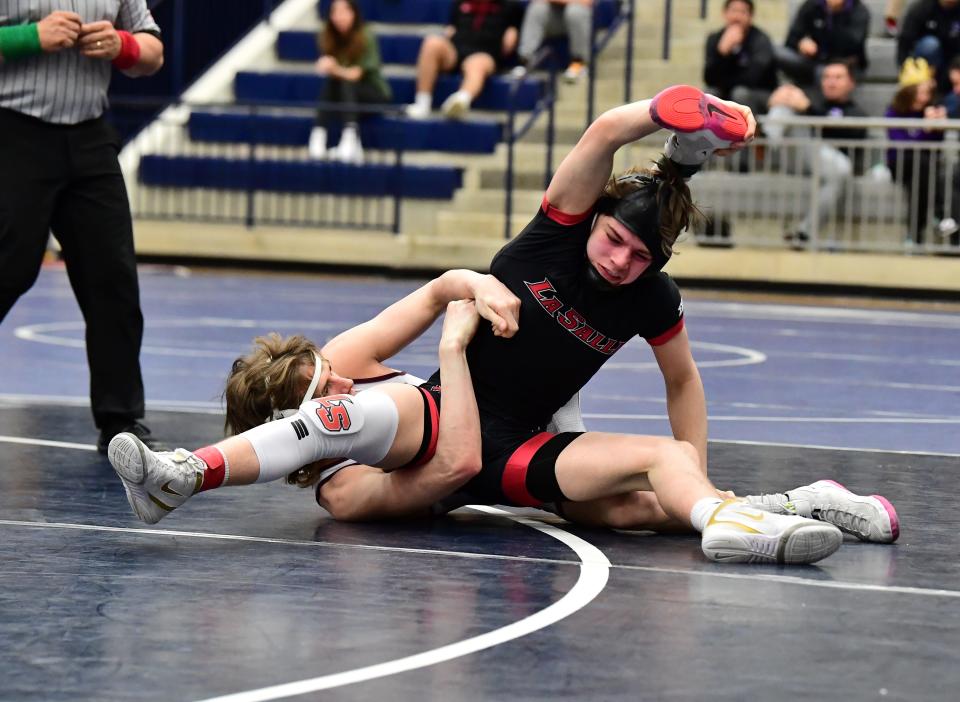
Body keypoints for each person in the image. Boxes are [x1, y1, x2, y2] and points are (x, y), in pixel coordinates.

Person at [111, 87, 900, 564]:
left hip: (524, 442)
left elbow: (595, 148)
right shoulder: (346, 494)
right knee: (637, 500)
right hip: (473, 447)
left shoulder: (566, 248)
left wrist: (478, 287)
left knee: (656, 494)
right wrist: (456, 348)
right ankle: (186, 473)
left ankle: (787, 505)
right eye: (320, 393)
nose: (340, 380)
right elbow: (455, 464)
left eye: (326, 375)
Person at [0, 2, 165, 453]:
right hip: (13, 131)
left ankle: (120, 420)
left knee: (112, 279)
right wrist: (28, 37)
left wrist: (122, 44)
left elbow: (153, 52)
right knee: (9, 268)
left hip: (90, 135)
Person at [764, 60, 868, 246]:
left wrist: (807, 108)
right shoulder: (813, 102)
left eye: (838, 77)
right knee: (785, 101)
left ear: (851, 83)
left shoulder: (856, 111)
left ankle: (804, 232)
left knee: (841, 169)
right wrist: (778, 99)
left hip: (830, 166)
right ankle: (763, 140)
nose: (831, 82)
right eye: (826, 77)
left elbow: (850, 133)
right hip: (796, 155)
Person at [404, 0, 524, 120]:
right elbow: (452, 28)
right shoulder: (460, 3)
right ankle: (422, 102)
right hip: (456, 51)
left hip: (486, 53)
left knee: (477, 64)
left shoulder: (510, 6)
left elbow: (511, 41)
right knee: (432, 42)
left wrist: (512, 36)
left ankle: (461, 100)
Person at [307, 0, 391, 163]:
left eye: (344, 11)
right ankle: (318, 134)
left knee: (346, 83)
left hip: (374, 93)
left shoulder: (366, 35)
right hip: (347, 97)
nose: (339, 17)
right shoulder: (328, 35)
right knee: (332, 83)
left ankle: (349, 137)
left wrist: (334, 68)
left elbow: (355, 75)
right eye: (335, 12)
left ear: (354, 13)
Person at [885, 57, 951, 244]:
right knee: (920, 164)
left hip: (925, 167)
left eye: (927, 90)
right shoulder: (893, 112)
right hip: (900, 163)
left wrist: (939, 127)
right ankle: (938, 212)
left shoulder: (933, 109)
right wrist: (925, 130)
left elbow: (935, 148)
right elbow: (901, 142)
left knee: (922, 173)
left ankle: (914, 236)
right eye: (921, 91)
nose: (926, 95)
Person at [703, 0, 778, 118]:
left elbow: (752, 79)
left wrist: (725, 81)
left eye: (743, 12)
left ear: (750, 16)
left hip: (758, 93)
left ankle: (749, 133)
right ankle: (709, 133)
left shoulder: (760, 40)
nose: (737, 16)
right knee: (709, 94)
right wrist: (722, 52)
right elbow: (709, 78)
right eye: (733, 11)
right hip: (726, 91)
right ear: (725, 13)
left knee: (740, 93)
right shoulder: (715, 39)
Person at [777, 0, 870, 87]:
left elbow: (851, 45)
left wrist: (834, 13)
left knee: (827, 74)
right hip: (811, 60)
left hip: (845, 63)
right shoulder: (812, 5)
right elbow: (791, 39)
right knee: (777, 52)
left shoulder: (859, 11)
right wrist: (800, 43)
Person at [512, 0, 594, 83]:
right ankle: (526, 61)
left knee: (575, 11)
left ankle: (579, 63)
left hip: (579, 16)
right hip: (555, 17)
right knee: (538, 8)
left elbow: (586, 2)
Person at [897, 0, 960, 91]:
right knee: (930, 45)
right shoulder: (922, 8)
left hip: (952, 61)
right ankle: (925, 85)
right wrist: (904, 68)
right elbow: (905, 40)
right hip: (925, 61)